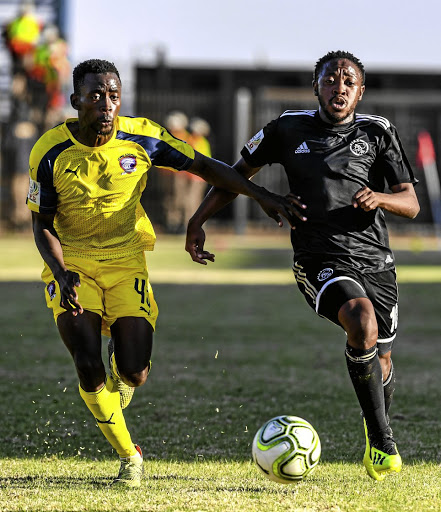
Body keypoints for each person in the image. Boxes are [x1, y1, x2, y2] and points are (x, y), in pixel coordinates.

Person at [26, 59, 299, 488]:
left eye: (114, 95)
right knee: (85, 360)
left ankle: (124, 368)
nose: (106, 104)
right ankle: (129, 455)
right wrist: (60, 272)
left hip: (126, 259)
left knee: (134, 372)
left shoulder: (144, 136)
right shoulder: (49, 150)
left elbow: (208, 167)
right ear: (76, 100)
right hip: (72, 263)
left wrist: (261, 194)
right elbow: (41, 223)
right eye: (95, 95)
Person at [185, 50, 420, 481]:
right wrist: (199, 220)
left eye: (349, 82)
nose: (339, 88)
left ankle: (374, 433)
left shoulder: (378, 132)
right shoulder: (286, 127)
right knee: (361, 322)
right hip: (319, 257)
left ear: (360, 91)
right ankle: (385, 442)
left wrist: (381, 198)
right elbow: (236, 176)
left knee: (381, 360)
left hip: (375, 260)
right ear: (316, 85)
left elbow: (411, 201)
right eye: (331, 79)